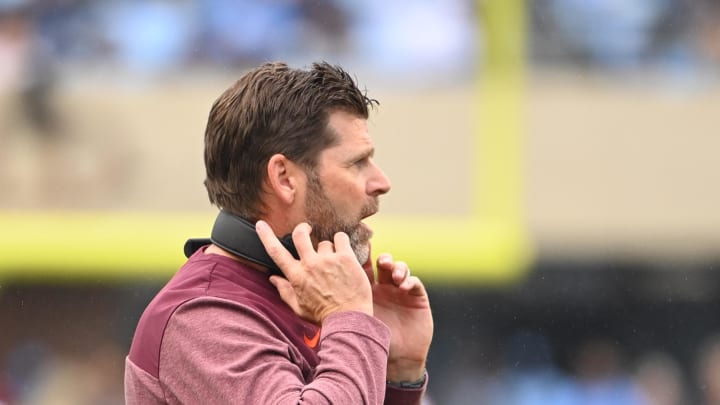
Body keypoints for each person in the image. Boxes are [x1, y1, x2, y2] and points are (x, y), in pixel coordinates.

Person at [124, 61, 434, 404]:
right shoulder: (201, 320)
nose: (381, 183)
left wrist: (398, 373)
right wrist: (351, 321)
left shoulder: (312, 296)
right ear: (284, 178)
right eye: (357, 162)